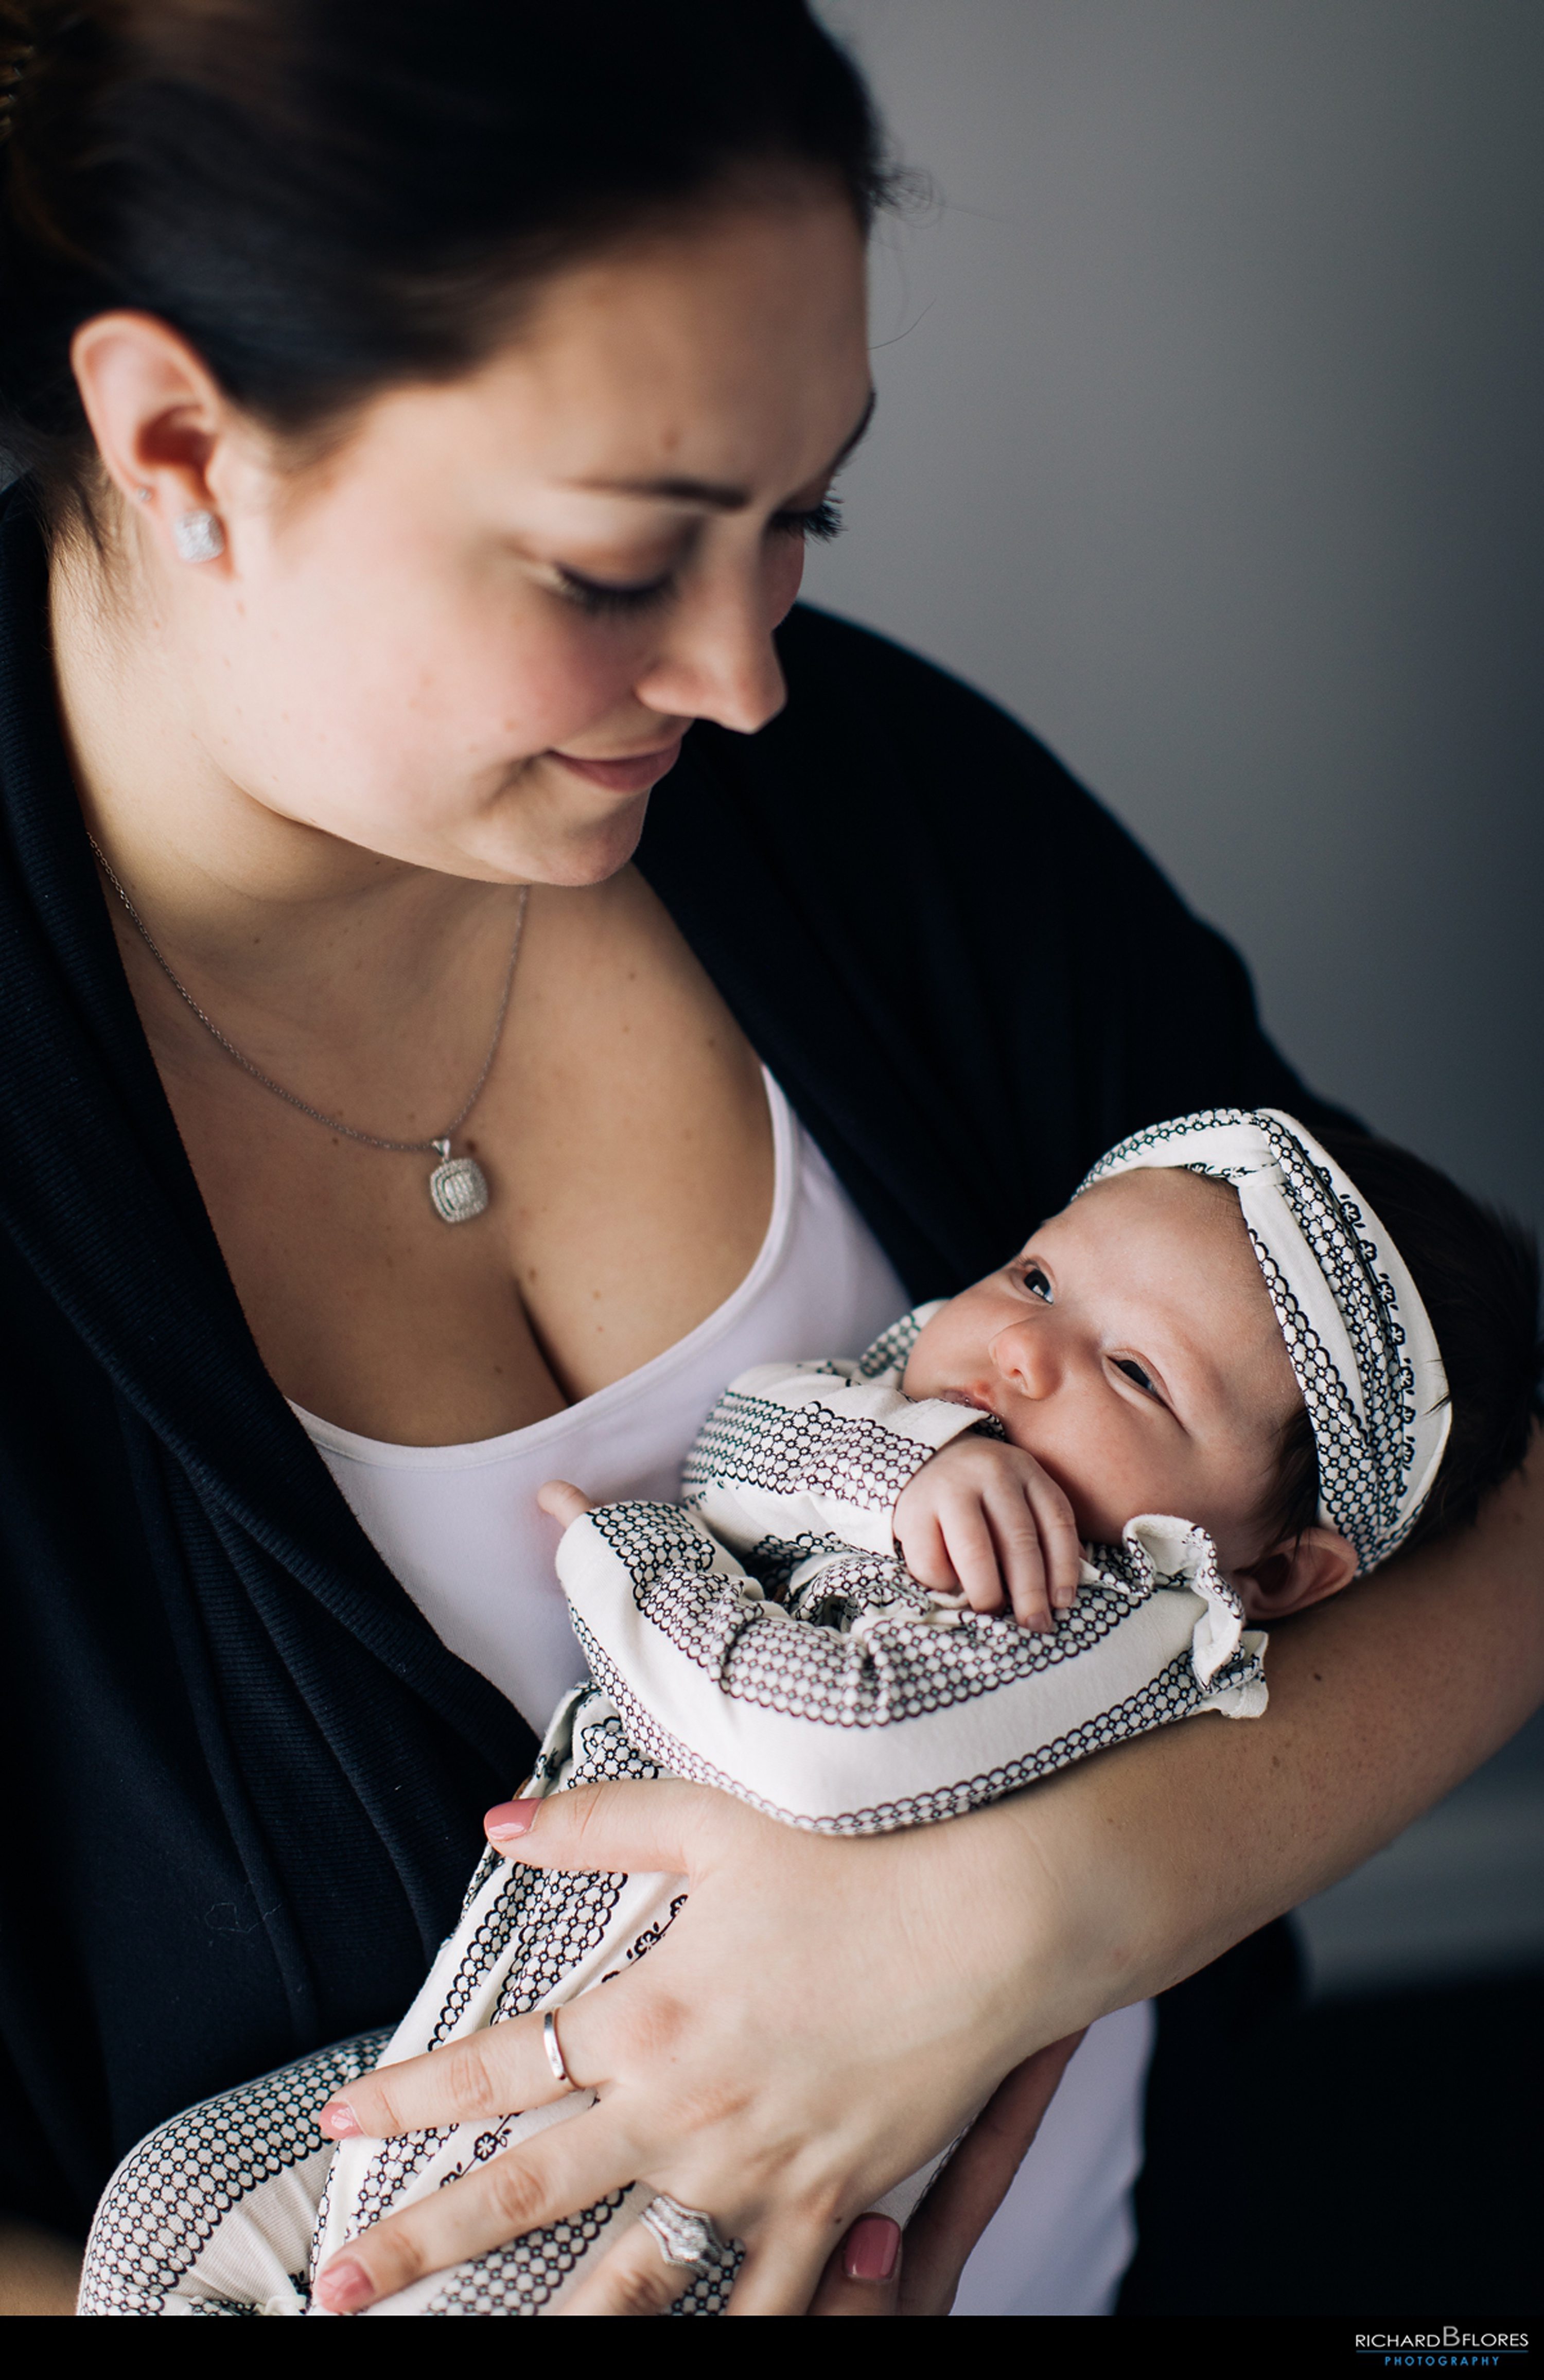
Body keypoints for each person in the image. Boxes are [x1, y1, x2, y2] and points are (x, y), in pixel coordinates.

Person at [1, 0, 1540, 2321]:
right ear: (183, 439)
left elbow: (1495, 1466)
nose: (747, 678)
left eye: (803, 513)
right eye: (620, 567)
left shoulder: (879, 825)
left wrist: (1020, 1920)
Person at [74, 1106, 1542, 2315]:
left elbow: (826, 1738)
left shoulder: (1116, 1612)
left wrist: (629, 1551)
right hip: (478, 2022)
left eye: (1137, 1373)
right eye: (1038, 1279)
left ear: (1278, 1567)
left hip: (662, 2182)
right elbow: (755, 1430)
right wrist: (889, 1467)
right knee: (162, 2210)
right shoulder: (945, 1426)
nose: (1025, 1350)